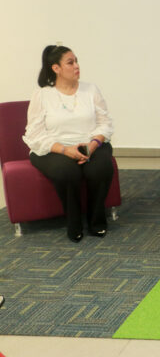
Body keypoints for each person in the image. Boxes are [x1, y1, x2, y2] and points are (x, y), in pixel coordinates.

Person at [23, 45, 114, 242]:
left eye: (77, 61)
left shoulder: (91, 90)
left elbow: (105, 123)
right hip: (53, 148)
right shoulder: (42, 94)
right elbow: (34, 134)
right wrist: (65, 150)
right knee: (67, 172)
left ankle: (96, 221)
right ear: (56, 68)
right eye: (70, 62)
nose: (77, 66)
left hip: (90, 144)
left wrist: (92, 145)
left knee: (101, 168)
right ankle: (74, 224)